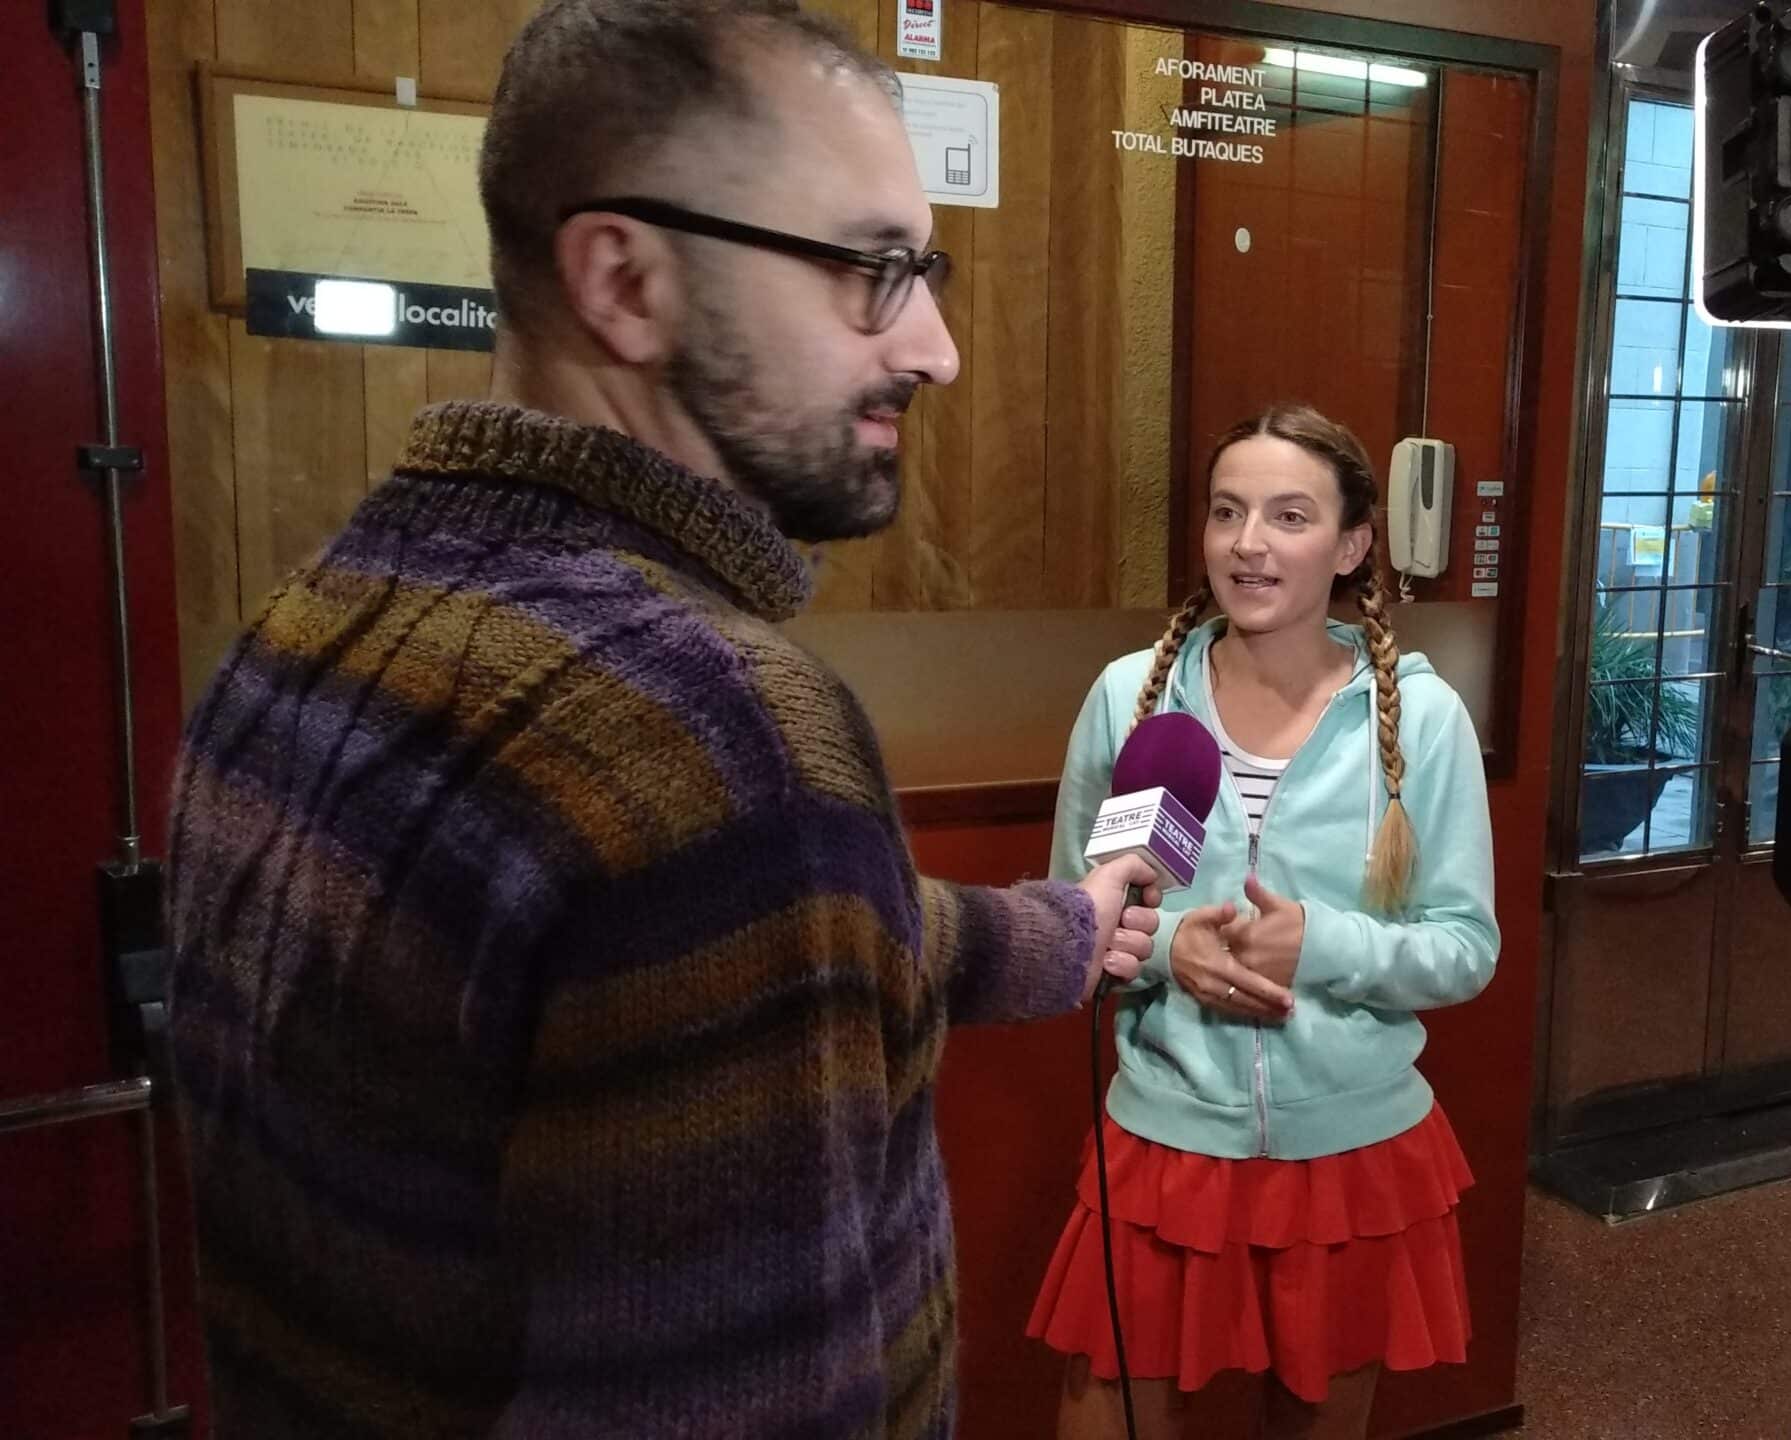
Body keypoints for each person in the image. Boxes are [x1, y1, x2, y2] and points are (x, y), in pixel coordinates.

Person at [162, 3, 1159, 1434]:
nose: (938, 349)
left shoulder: (314, 625)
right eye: (871, 269)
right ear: (624, 281)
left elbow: (673, 947)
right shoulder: (717, 739)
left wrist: (1060, 930)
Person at [1028, 405, 1500, 1437]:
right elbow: (1076, 924)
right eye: (1226, 511)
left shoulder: (1422, 719)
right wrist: (1170, 950)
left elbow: (1465, 948)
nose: (1249, 543)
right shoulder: (1132, 700)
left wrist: (1319, 944)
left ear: (1352, 545)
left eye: (1290, 516)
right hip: (1167, 1133)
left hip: (1353, 1152)